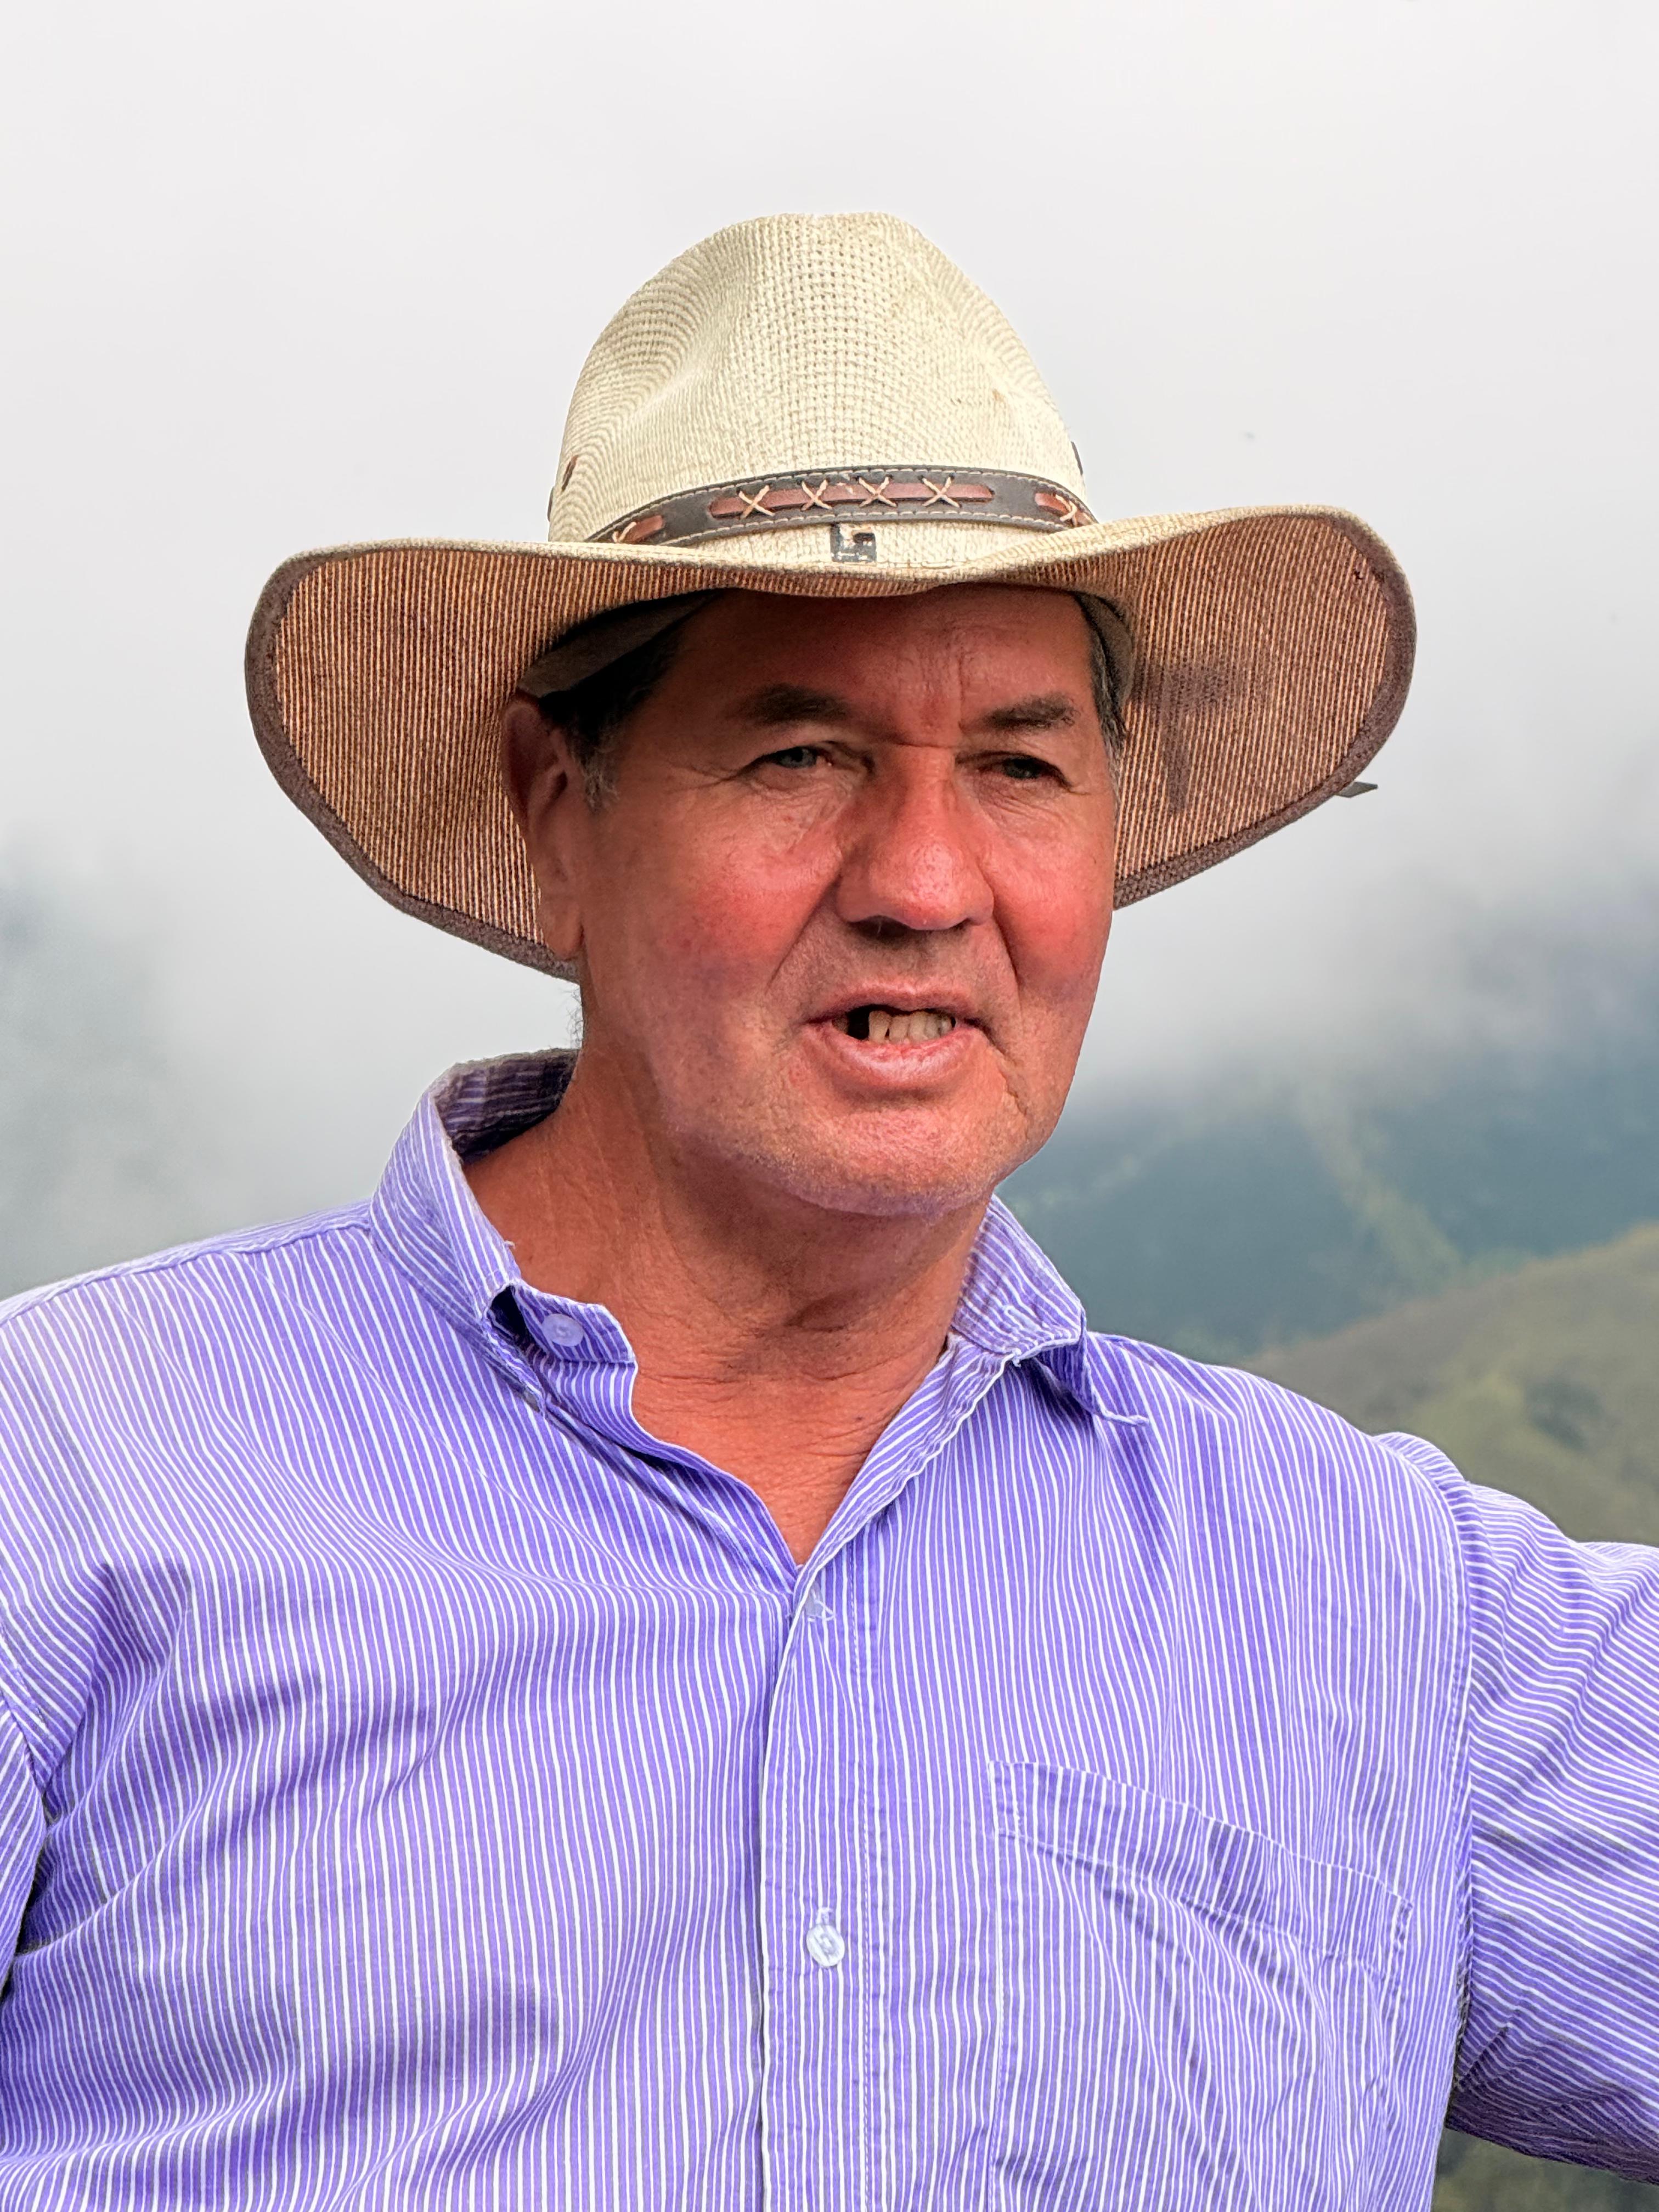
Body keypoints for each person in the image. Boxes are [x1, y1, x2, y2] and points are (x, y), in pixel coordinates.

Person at [0, 212, 1654, 2209]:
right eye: (802, 752)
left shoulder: (1382, 1608)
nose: (929, 881)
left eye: (1023, 767)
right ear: (556, 816)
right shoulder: (72, 1478)